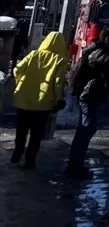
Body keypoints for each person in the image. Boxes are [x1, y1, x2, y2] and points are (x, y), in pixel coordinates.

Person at [66, 27, 109, 180]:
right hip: (89, 96)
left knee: (86, 131)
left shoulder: (98, 49)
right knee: (85, 131)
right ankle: (75, 168)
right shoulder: (97, 52)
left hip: (91, 95)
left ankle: (75, 165)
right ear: (108, 38)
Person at [9, 30, 69, 169]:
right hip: (43, 104)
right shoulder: (60, 60)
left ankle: (16, 154)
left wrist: (21, 83)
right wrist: (58, 98)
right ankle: (29, 161)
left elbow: (17, 69)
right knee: (36, 134)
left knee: (21, 130)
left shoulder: (34, 54)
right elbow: (58, 82)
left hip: (23, 99)